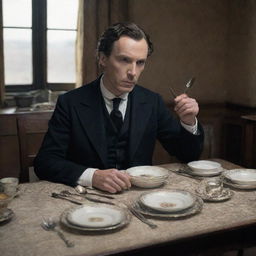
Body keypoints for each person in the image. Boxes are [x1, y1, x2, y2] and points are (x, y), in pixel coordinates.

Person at [34, 22, 204, 193]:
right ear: (102, 59)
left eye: (140, 63)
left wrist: (189, 121)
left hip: (140, 199)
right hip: (88, 202)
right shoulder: (70, 103)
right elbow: (45, 162)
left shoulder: (152, 102)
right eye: (124, 60)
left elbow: (188, 155)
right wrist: (93, 176)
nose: (133, 72)